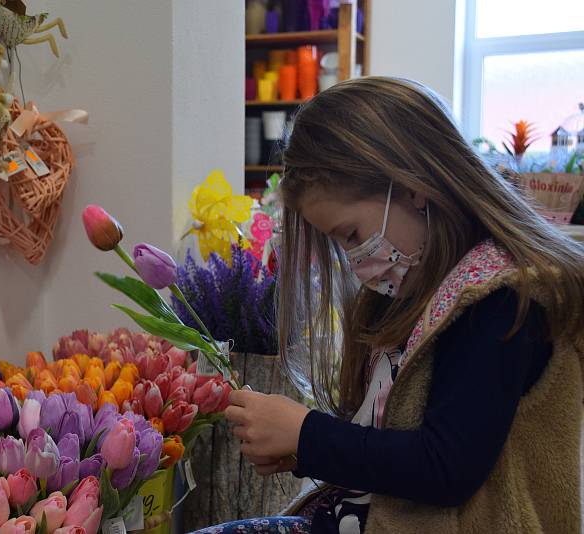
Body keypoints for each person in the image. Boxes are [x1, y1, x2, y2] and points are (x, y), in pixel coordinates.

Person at [221, 77, 584, 534]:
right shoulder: (427, 288)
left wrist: (309, 434)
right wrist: (301, 449)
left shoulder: (501, 299)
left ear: (413, 187)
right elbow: (396, 445)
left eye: (351, 235)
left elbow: (444, 468)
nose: (356, 262)